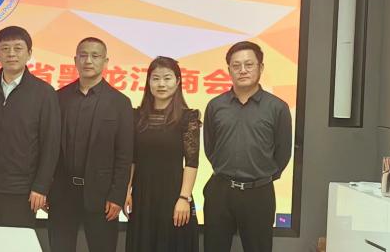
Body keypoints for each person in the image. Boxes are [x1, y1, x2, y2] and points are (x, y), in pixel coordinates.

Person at [203, 41, 292, 252]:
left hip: (259, 193)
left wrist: (261, 176)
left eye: (249, 64)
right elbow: (210, 147)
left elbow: (283, 152)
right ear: (229, 70)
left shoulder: (277, 107)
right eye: (236, 65)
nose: (242, 70)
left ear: (261, 67)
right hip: (221, 191)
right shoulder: (215, 106)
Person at [47, 37, 133, 252]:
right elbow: (49, 147)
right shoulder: (58, 98)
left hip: (102, 196)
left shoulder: (120, 102)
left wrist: (117, 196)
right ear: (75, 60)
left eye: (95, 56)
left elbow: (124, 155)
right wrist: (46, 188)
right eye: (83, 55)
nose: (88, 61)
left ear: (105, 61)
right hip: (62, 193)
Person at [0, 26, 60, 228]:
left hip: (23, 190)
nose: (11, 54)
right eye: (5, 48)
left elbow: (51, 144)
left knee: (17, 241)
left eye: (18, 48)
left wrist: (41, 186)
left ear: (29, 53)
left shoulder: (44, 93)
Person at [125, 56, 200, 252]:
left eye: (167, 78)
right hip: (142, 195)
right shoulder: (136, 116)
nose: (161, 84)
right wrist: (127, 190)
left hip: (174, 193)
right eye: (156, 78)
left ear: (178, 81)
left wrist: (184, 198)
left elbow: (192, 162)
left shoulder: (188, 117)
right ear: (148, 81)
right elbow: (132, 158)